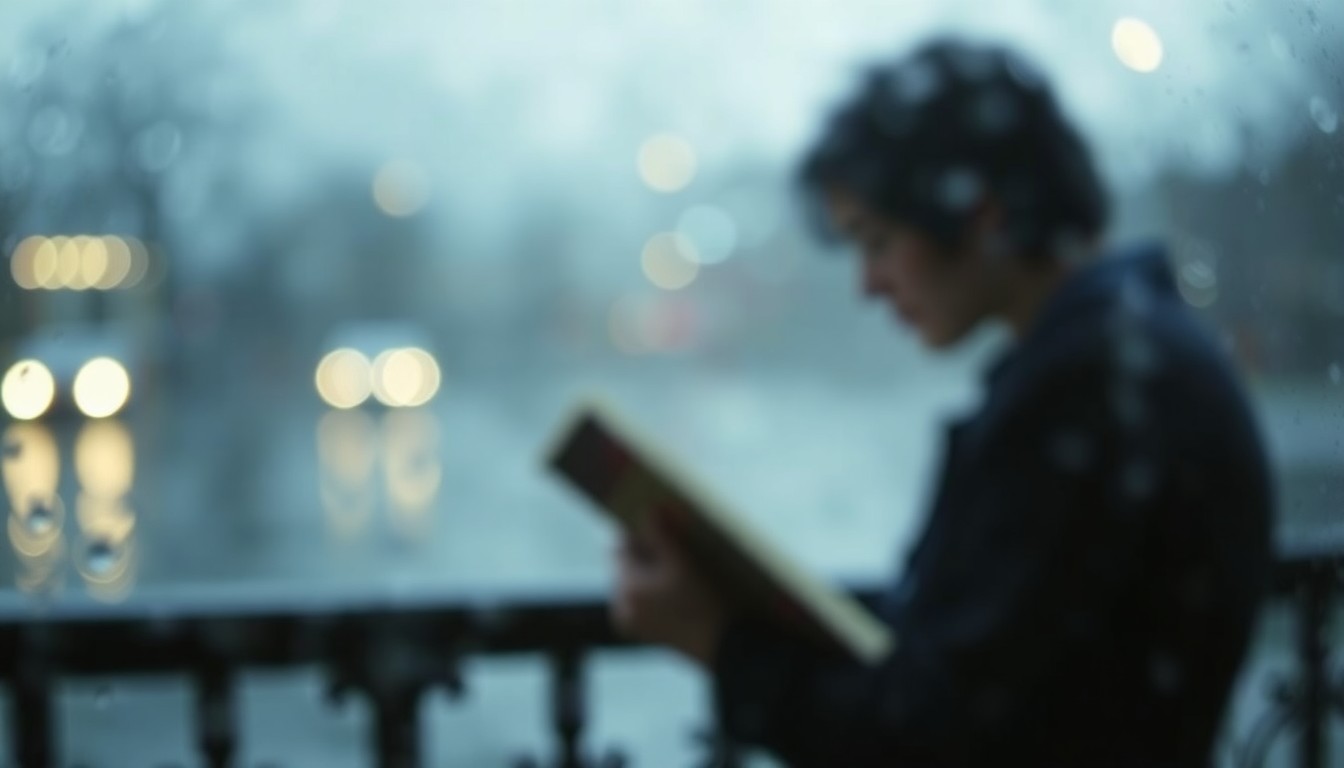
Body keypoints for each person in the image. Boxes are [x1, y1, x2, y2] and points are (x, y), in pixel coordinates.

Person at [609, 38, 1273, 768]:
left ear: (980, 213)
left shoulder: (1085, 389)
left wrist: (721, 644)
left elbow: (941, 734)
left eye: (878, 240)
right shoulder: (1132, 357)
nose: (867, 284)